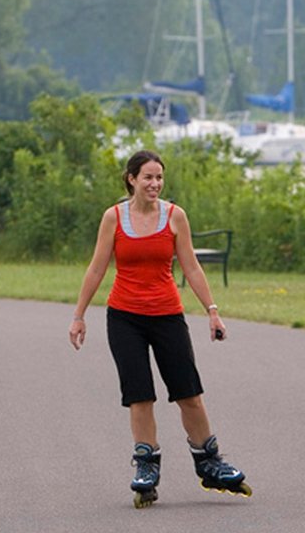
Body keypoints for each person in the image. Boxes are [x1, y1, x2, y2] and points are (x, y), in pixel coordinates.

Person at [68, 150, 250, 508]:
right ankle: (147, 464)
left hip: (167, 314)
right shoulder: (114, 217)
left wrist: (212, 311)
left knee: (188, 392)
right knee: (140, 395)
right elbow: (96, 269)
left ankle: (209, 461)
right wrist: (79, 315)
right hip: (124, 317)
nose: (155, 184)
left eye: (159, 178)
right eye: (148, 177)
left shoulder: (175, 216)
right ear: (131, 179)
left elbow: (193, 268)